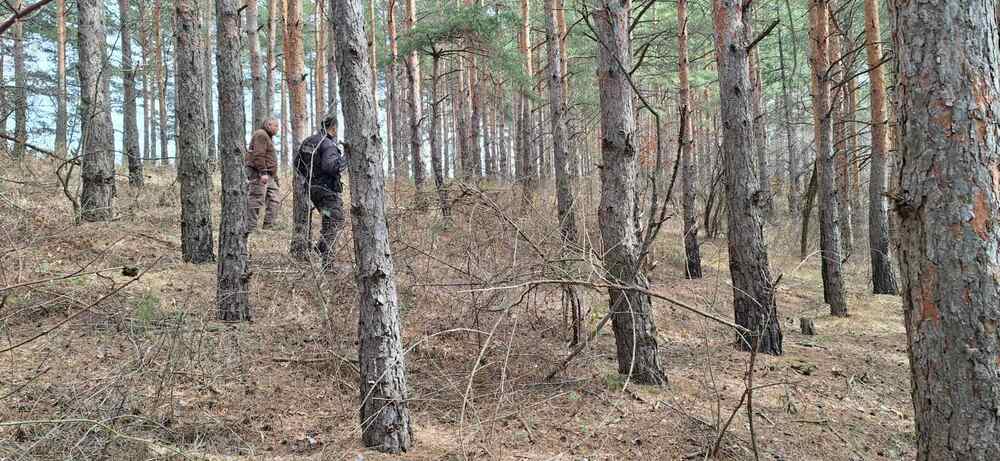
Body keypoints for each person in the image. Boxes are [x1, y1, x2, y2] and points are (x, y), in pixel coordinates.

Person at [296, 117, 347, 266]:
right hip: (326, 192)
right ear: (333, 128)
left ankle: (320, 248)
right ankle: (327, 261)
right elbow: (331, 167)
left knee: (328, 217)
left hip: (313, 192)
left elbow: (297, 163)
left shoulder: (308, 141)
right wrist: (346, 158)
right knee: (336, 220)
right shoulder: (328, 145)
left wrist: (310, 178)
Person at [246, 117, 281, 231]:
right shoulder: (261, 134)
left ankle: (268, 228)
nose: (278, 129)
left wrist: (274, 177)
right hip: (259, 174)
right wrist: (263, 172)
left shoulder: (267, 137)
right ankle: (250, 229)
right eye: (276, 126)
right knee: (256, 199)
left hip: (269, 175)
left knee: (274, 199)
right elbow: (258, 155)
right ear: (268, 125)